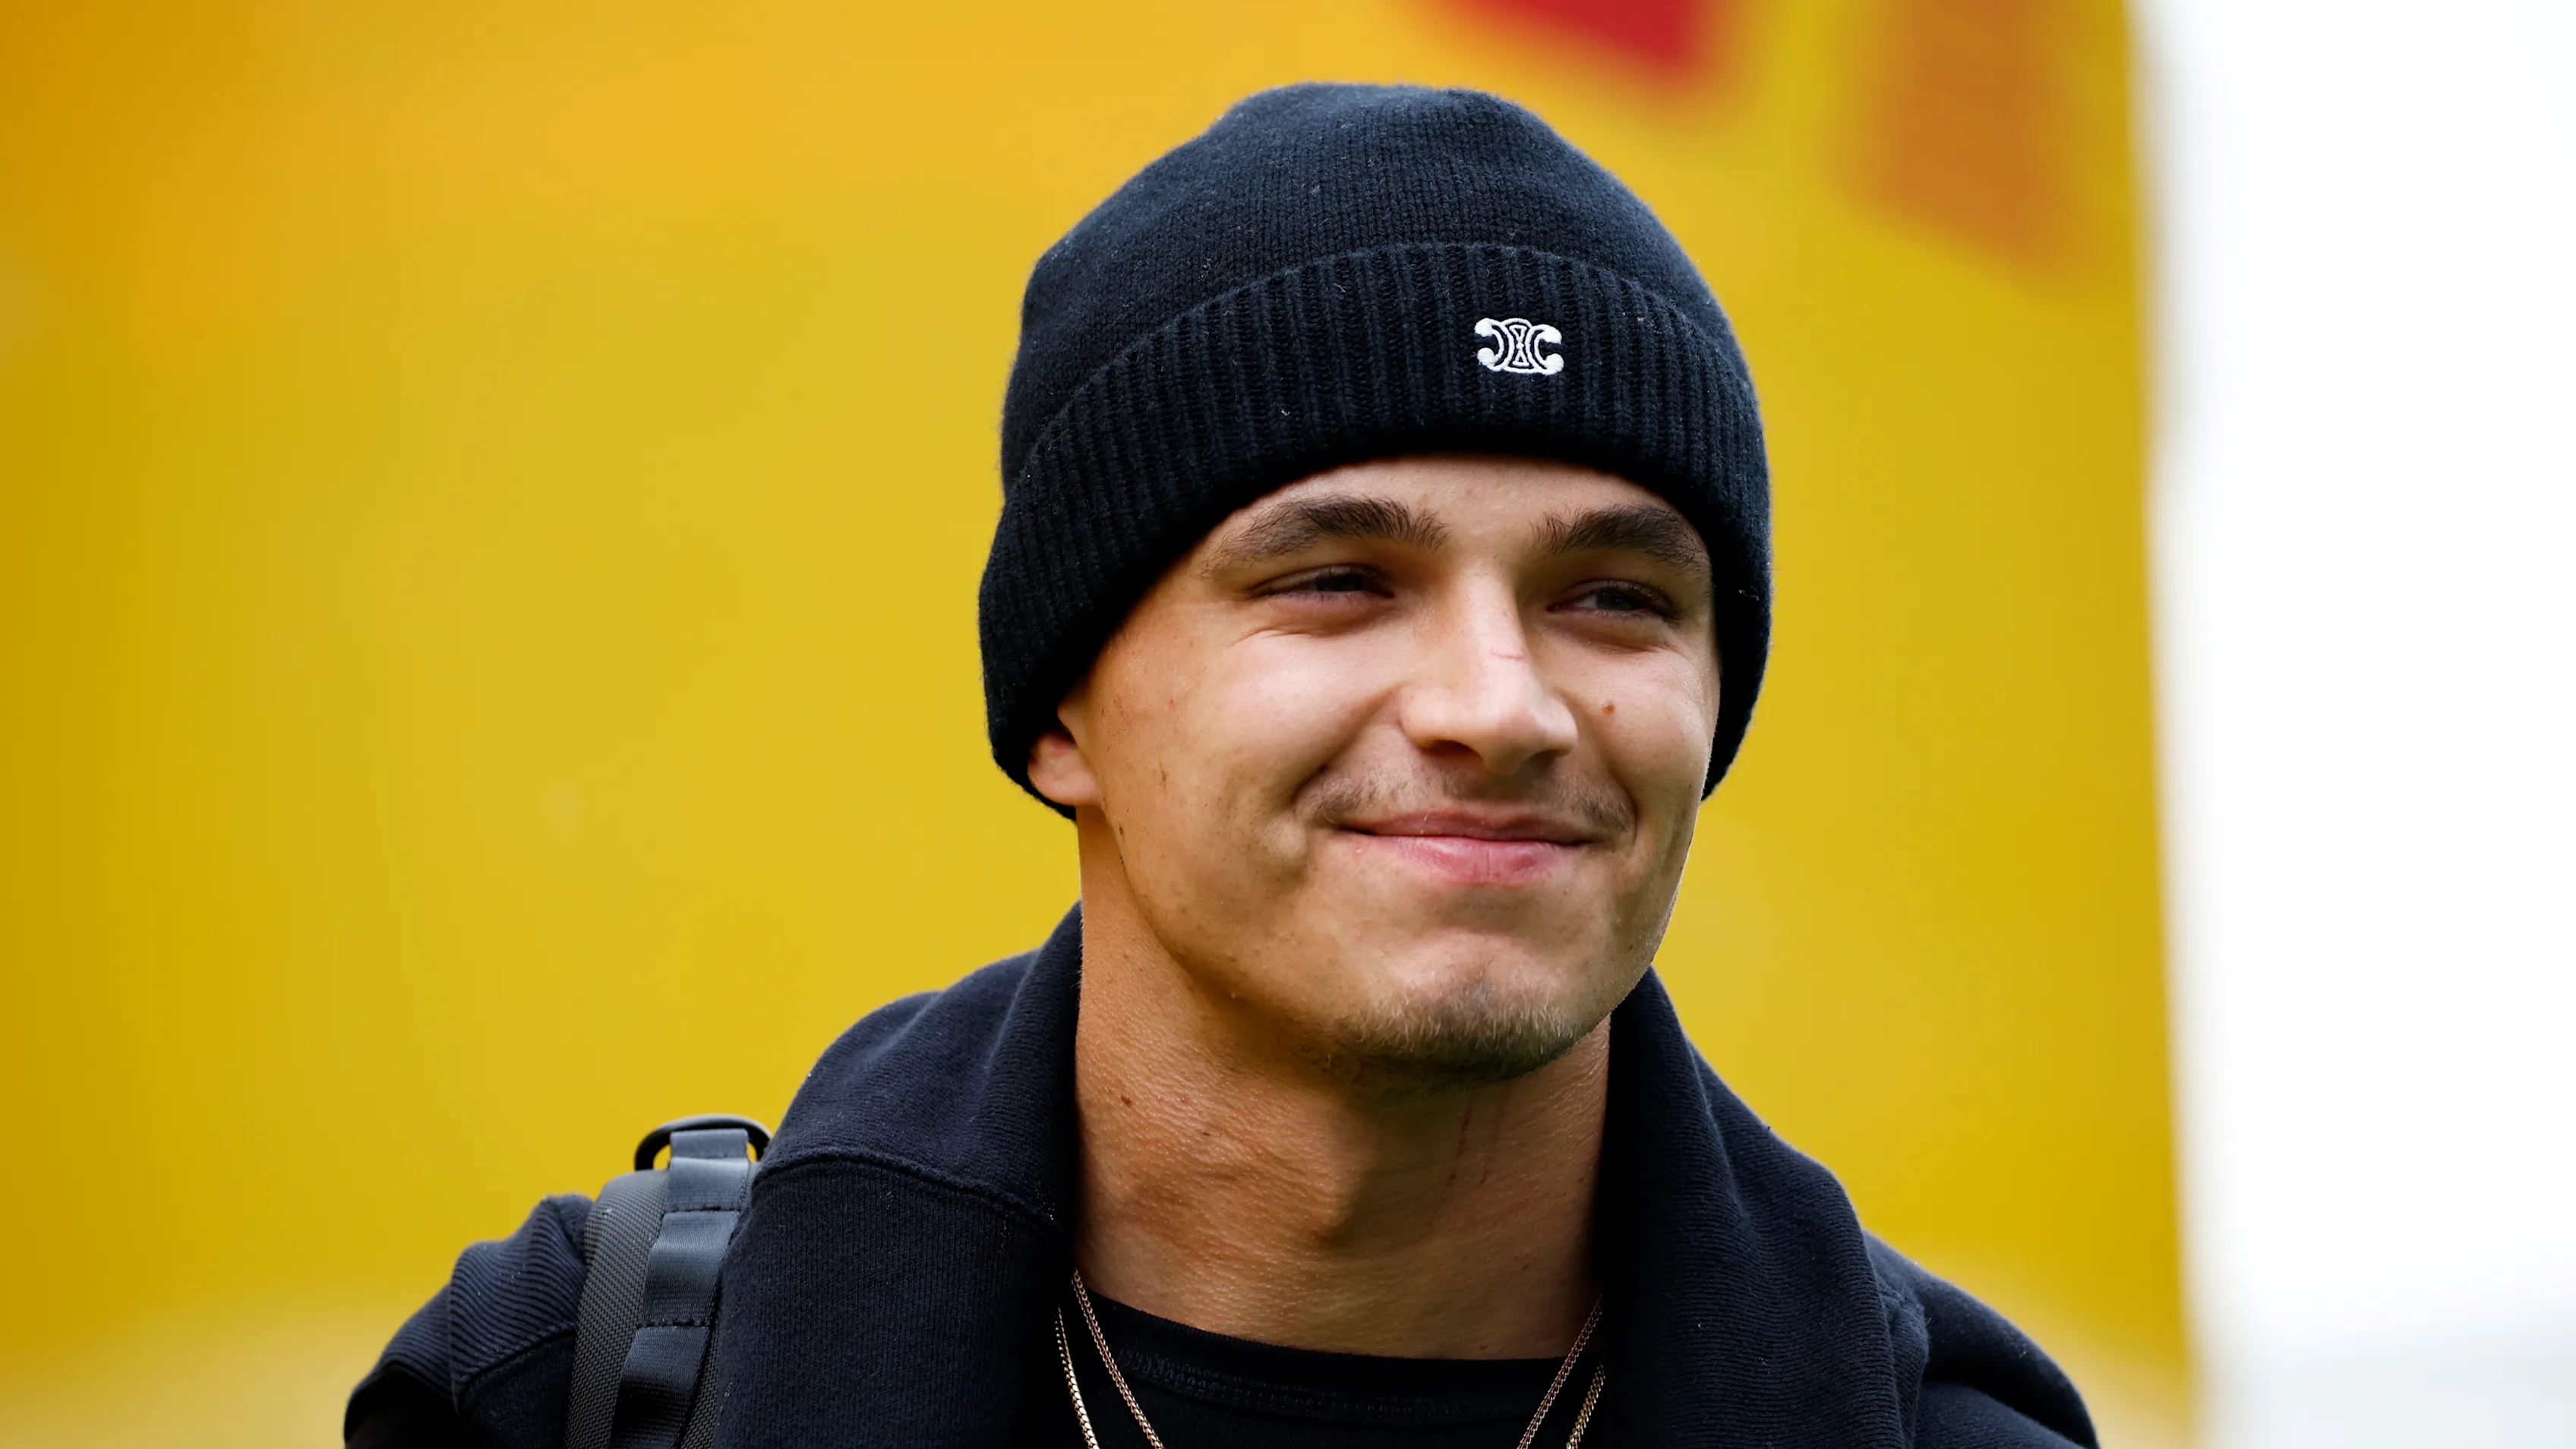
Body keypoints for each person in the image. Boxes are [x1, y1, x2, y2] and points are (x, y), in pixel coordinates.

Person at [346, 83, 2096, 1449]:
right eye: (1338, 581)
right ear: (1060, 715)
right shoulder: (577, 1402)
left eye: (1615, 597)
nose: (1501, 702)